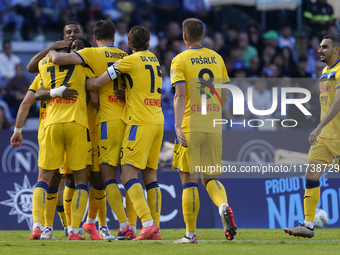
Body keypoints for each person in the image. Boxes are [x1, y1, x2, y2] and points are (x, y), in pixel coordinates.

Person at [47, 19, 135, 240]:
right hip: (112, 120)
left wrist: (50, 50)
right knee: (84, 178)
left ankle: (91, 224)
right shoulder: (125, 57)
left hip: (93, 121)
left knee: (93, 178)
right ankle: (75, 225)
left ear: (93, 39)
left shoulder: (89, 54)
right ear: (115, 37)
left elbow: (60, 61)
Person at [85, 25, 163, 241]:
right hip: (158, 120)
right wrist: (126, 91)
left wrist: (83, 82)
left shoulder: (128, 61)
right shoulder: (155, 60)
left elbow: (99, 82)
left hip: (138, 121)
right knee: (151, 178)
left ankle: (146, 224)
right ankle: (154, 228)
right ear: (148, 43)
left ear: (129, 45)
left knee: (127, 175)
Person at [170, 18, 236, 244]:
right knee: (211, 177)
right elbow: (226, 93)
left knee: (189, 180)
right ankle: (223, 205)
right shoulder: (217, 58)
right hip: (213, 126)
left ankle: (190, 235)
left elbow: (180, 95)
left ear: (184, 36)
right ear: (203, 34)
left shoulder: (180, 59)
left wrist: (178, 126)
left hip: (191, 125)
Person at [27, 35, 97, 241]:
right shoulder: (84, 65)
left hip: (51, 123)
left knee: (43, 179)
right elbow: (94, 98)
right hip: (77, 123)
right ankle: (74, 231)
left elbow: (37, 92)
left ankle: (37, 227)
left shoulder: (47, 62)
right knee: (81, 181)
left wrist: (55, 91)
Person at [284, 35, 340, 238]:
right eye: (319, 47)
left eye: (325, 47)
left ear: (337, 50)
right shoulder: (326, 71)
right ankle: (308, 225)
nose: (319, 50)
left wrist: (317, 127)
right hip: (325, 138)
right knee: (311, 175)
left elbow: (338, 103)